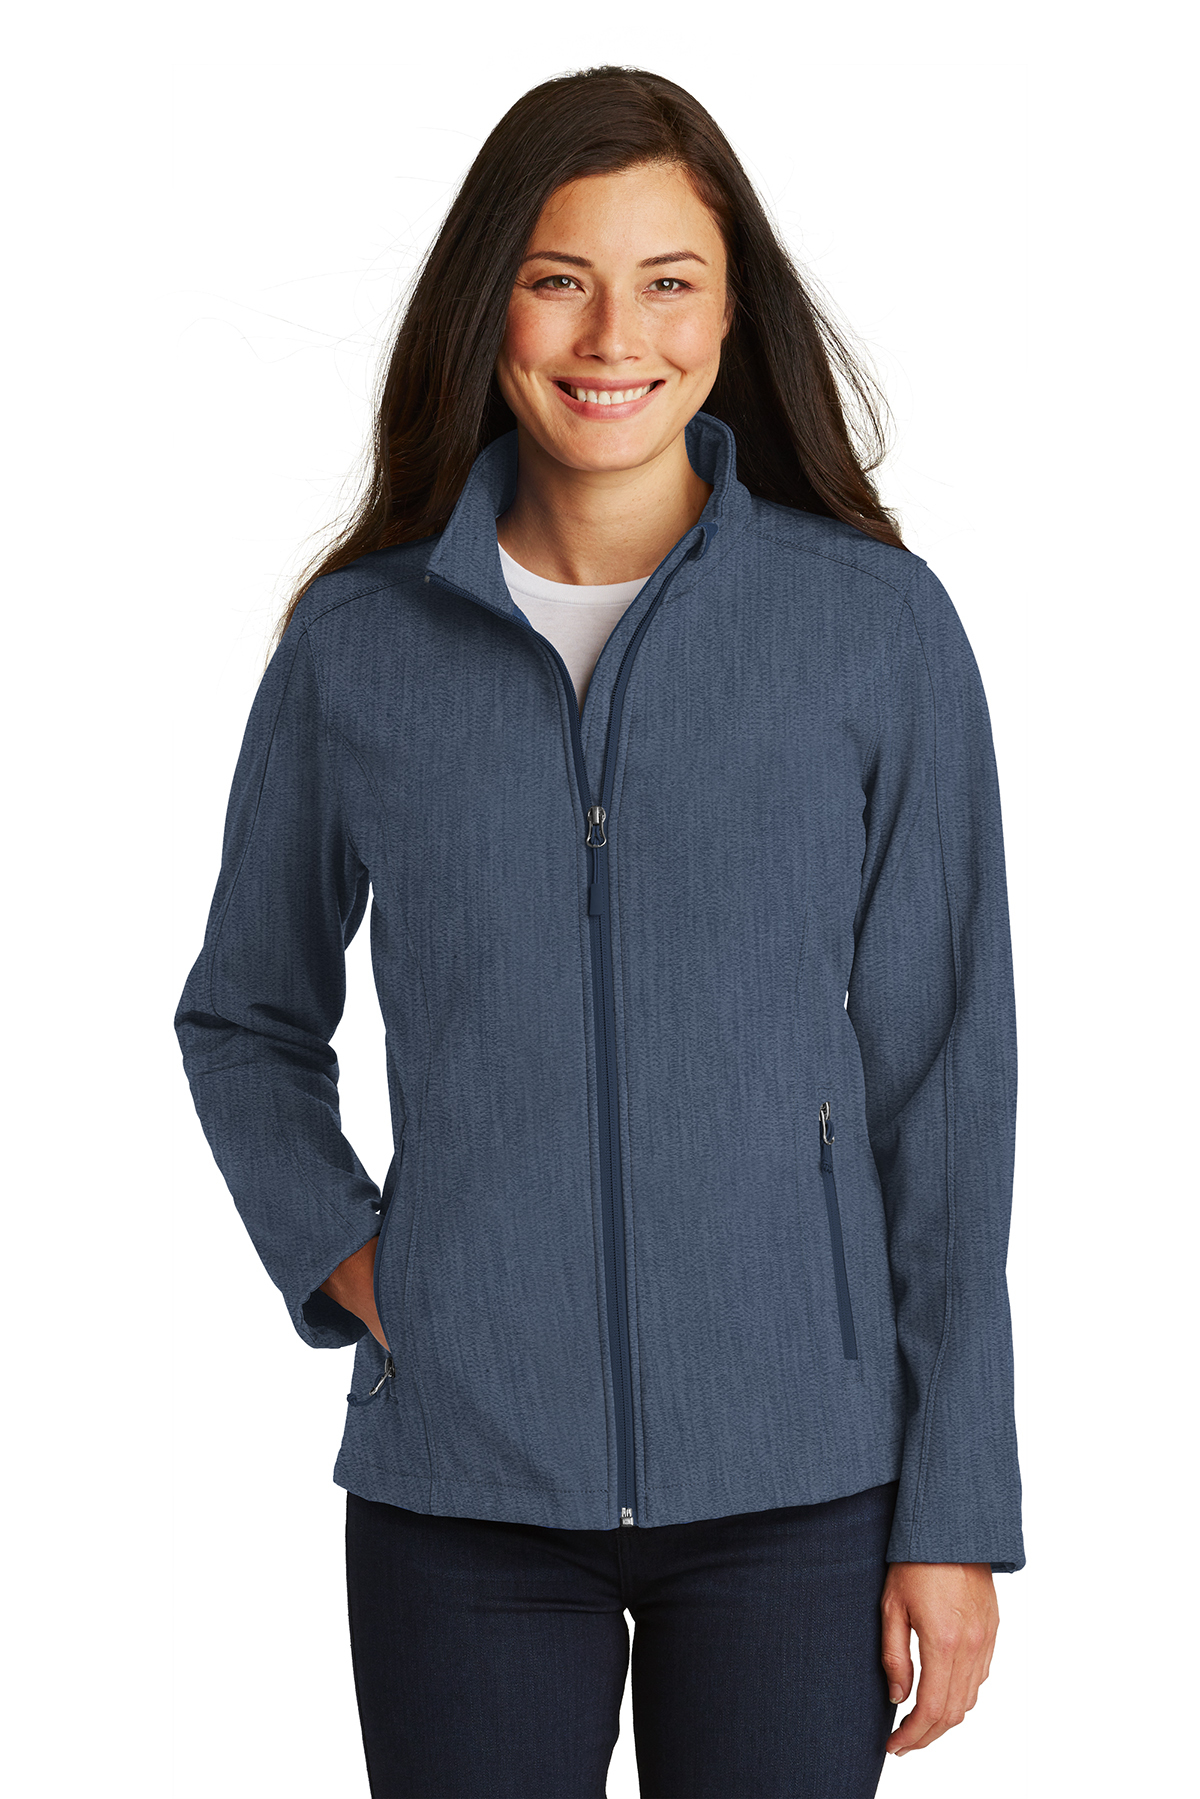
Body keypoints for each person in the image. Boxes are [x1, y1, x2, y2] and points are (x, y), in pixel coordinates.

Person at [174, 65, 1023, 1799]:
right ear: (488, 303)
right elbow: (245, 1018)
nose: (612, 335)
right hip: (462, 1491)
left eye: (668, 281)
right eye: (558, 277)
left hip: (802, 1485)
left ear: (730, 312)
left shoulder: (873, 632)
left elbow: (945, 1093)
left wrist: (955, 1508)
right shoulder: (360, 648)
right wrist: (357, 1260)